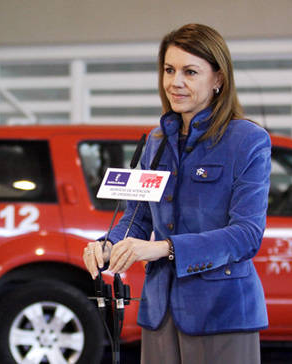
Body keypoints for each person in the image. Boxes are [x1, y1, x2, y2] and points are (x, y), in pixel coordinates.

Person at [83, 23, 271, 364]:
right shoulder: (155, 142)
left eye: (190, 72)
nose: (175, 82)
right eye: (169, 70)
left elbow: (246, 235)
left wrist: (163, 248)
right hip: (159, 312)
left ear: (218, 79)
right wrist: (108, 246)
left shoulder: (247, 140)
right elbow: (136, 217)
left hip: (222, 314)